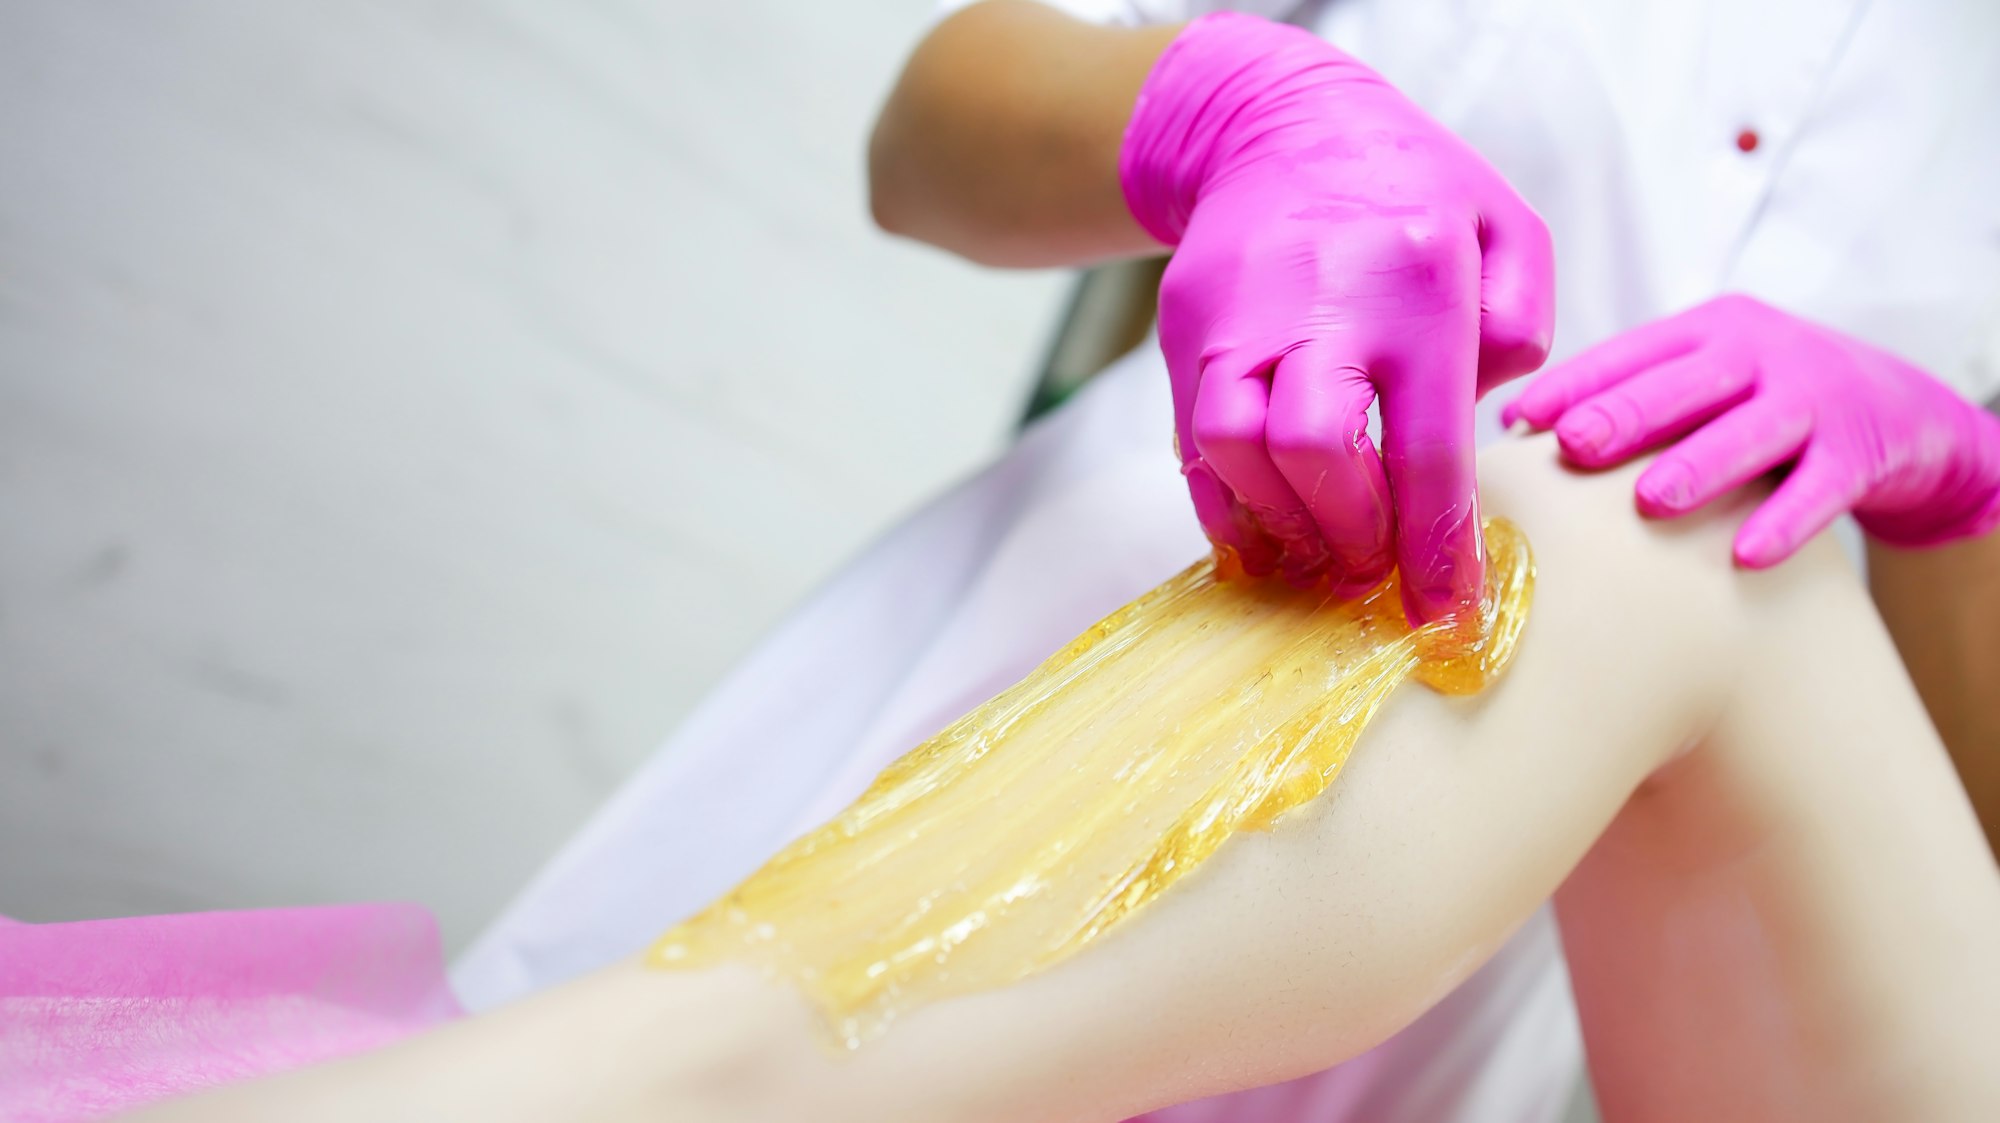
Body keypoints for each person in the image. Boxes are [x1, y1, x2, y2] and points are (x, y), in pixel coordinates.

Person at [128, 433, 2000, 1121]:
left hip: (1571, 910)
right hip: (1198, 611)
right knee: (1641, 527)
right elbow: (954, 122)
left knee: (1674, 535)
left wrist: (1957, 500)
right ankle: (682, 1065)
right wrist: (1219, 117)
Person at [868, 0, 2000, 845]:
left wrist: (1958, 503)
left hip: (1517, 901)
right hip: (1087, 652)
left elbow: (1967, 837)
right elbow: (915, 147)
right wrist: (1220, 111)